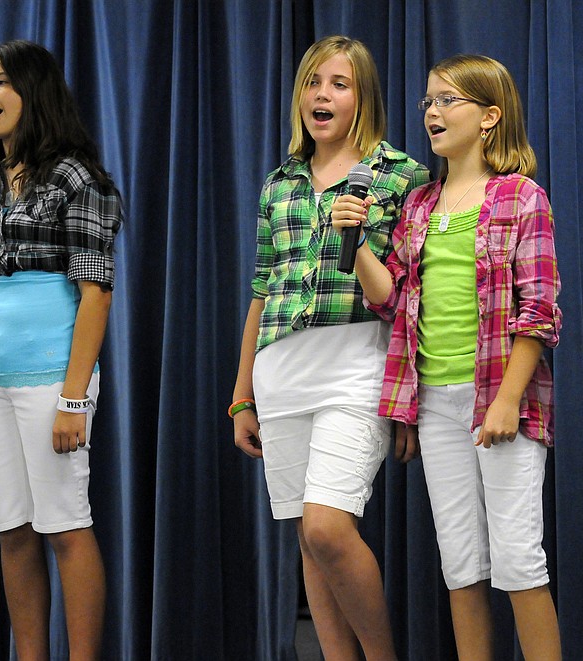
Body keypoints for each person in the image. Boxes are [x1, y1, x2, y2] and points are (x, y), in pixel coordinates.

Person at [332, 54, 562, 660]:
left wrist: (508, 401)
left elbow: (538, 312)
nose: (432, 112)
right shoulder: (419, 206)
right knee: (461, 563)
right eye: (427, 102)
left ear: (489, 116)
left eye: (447, 101)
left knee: (518, 560)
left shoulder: (520, 197)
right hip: (436, 406)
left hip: (499, 401)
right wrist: (352, 246)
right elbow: (396, 302)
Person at [231, 35, 429, 659]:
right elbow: (262, 288)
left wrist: (407, 395)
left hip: (357, 362)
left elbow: (413, 294)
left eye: (339, 84)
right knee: (309, 541)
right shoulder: (280, 182)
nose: (323, 95)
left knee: (328, 525)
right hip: (281, 370)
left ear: (362, 96)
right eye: (314, 83)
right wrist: (241, 396)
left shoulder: (401, 175)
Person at [0, 40, 122, 661]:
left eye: (0, 82)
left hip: (54, 377)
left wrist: (74, 398)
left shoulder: (76, 176)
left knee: (65, 526)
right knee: (12, 532)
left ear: (34, 91)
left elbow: (96, 295)